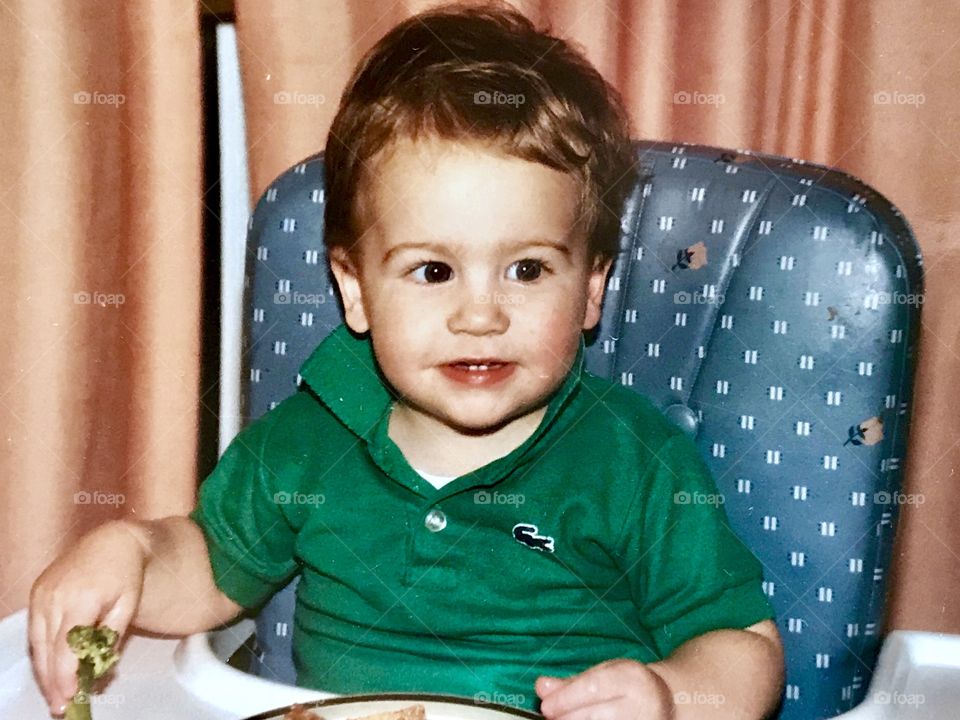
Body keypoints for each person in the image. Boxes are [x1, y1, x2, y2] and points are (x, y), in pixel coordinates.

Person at [29, 3, 784, 718]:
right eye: (433, 271)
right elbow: (207, 570)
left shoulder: (634, 460)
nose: (480, 315)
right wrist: (131, 551)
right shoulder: (310, 440)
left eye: (526, 269)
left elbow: (744, 647)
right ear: (354, 289)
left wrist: (670, 697)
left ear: (591, 289)